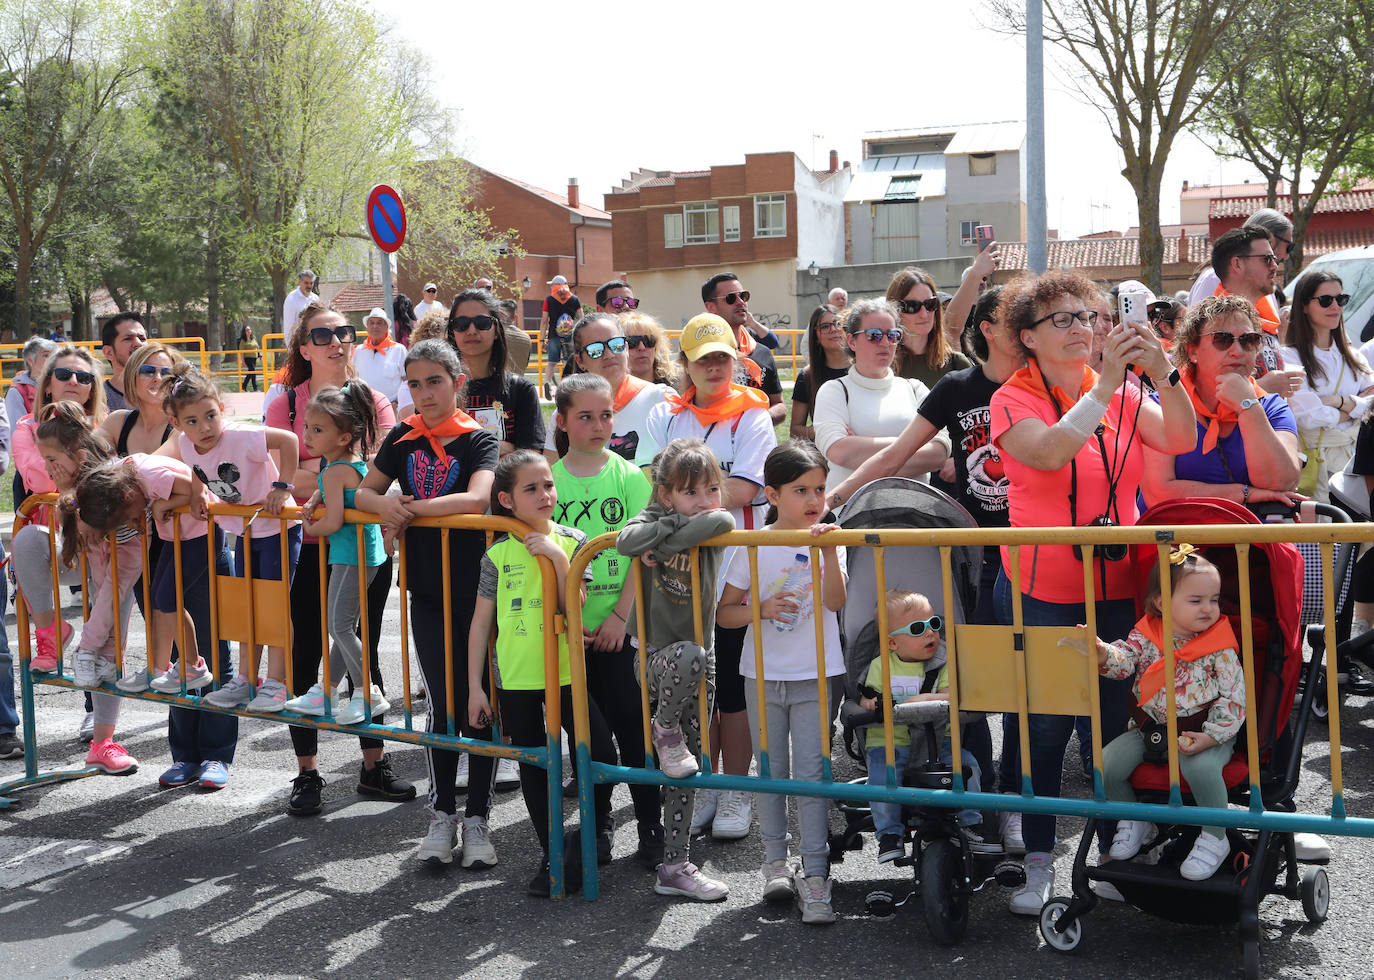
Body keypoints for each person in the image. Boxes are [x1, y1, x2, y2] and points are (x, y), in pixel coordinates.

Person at [988, 271, 1196, 915]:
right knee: (1046, 730)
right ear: (1028, 337)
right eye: (1066, 320)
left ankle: (1107, 855)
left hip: (1114, 585)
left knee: (1108, 731)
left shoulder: (1126, 388)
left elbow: (1182, 438)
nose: (1085, 329)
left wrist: (1163, 372)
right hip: (1043, 589)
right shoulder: (1012, 399)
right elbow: (1049, 453)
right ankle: (1039, 865)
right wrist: (1106, 385)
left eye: (1091, 317)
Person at [355, 339, 499, 866]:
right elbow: (365, 494)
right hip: (427, 592)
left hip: (478, 594)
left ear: (457, 382)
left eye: (434, 381)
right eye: (413, 384)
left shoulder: (478, 440)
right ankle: (443, 817)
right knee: (443, 705)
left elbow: (478, 499)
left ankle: (479, 819)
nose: (424, 392)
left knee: (479, 704)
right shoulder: (402, 437)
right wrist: (388, 504)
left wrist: (409, 511)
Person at [265, 302, 409, 815]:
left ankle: (374, 765)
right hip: (311, 550)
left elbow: (379, 468)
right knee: (307, 645)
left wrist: (324, 480)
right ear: (302, 346)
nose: (335, 341)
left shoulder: (372, 398)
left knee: (359, 644)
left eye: (342, 332)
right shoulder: (285, 399)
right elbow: (279, 469)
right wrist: (333, 482)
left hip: (363, 546)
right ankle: (307, 773)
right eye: (321, 334)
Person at [638, 313, 778, 840]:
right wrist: (678, 523)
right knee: (695, 685)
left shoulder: (753, 415)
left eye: (723, 357)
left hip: (734, 568)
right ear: (687, 366)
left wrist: (674, 518)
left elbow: (742, 491)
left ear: (736, 360)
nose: (715, 368)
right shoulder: (668, 414)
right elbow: (655, 487)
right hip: (678, 572)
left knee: (734, 689)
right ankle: (706, 783)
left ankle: (737, 788)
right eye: (704, 360)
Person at [467, 450, 617, 896]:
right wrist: (477, 688)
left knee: (599, 750)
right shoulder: (496, 555)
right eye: (531, 488)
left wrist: (556, 558)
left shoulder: (574, 539)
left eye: (548, 484)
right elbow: (480, 624)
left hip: (568, 675)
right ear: (507, 500)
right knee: (534, 765)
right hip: (516, 680)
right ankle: (551, 852)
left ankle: (594, 831)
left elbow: (574, 610)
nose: (545, 494)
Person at [717, 440, 847, 924]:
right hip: (761, 674)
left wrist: (830, 553)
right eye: (801, 490)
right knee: (771, 771)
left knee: (812, 775)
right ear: (771, 494)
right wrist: (762, 609)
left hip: (816, 675)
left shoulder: (830, 537)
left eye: (820, 488)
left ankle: (816, 874)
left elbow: (835, 602)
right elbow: (726, 615)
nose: (814, 499)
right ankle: (775, 862)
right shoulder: (752, 543)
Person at [1063, 545, 1244, 881]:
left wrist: (1211, 736)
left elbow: (1234, 696)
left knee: (1200, 767)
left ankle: (1215, 836)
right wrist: (1103, 652)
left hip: (1204, 730)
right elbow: (1125, 662)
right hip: (1151, 728)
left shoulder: (1218, 643)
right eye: (1196, 600)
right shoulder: (1146, 634)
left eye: (1214, 599)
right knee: (1106, 765)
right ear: (1162, 603)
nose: (1208, 608)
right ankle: (1136, 817)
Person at [548, 374, 663, 867]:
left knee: (635, 734)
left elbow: (644, 554)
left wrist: (621, 617)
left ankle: (651, 827)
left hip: (620, 631)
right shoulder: (549, 477)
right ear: (562, 421)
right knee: (586, 741)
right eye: (585, 416)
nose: (598, 426)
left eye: (606, 415)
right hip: (570, 634)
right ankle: (597, 826)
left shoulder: (630, 477)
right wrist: (568, 620)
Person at [617, 438, 735, 901]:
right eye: (691, 493)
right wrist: (662, 535)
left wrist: (661, 543)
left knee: (683, 771)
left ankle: (675, 865)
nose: (705, 501)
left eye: (711, 488)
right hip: (655, 657)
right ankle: (663, 729)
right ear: (665, 494)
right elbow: (627, 540)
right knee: (689, 655)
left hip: (699, 667)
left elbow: (722, 519)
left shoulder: (712, 521)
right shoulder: (649, 518)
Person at [155, 365, 300, 710]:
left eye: (210, 416)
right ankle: (247, 679)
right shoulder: (187, 447)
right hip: (245, 531)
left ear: (221, 409)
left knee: (273, 607)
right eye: (192, 421)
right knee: (246, 607)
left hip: (278, 529)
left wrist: (282, 487)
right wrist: (197, 494)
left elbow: (289, 440)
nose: (204, 428)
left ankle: (277, 682)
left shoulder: (239, 436)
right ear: (176, 424)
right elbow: (196, 470)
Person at [17, 404, 140, 773]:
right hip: (83, 560)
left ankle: (103, 742)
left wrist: (90, 642)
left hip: (116, 568)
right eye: (45, 459)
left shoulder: (112, 488)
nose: (48, 467)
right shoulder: (70, 489)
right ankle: (52, 632)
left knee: (105, 646)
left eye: (53, 459)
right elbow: (67, 545)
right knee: (27, 540)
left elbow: (112, 582)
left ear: (80, 456)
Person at [858, 589, 987, 863]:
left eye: (934, 624)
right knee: (880, 780)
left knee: (969, 768)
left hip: (940, 742)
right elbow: (865, 699)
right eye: (918, 628)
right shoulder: (880, 667)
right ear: (892, 643)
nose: (930, 633)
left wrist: (925, 698)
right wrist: (871, 704)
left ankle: (970, 821)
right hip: (890, 743)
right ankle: (889, 834)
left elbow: (954, 695)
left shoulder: (942, 663)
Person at [1141, 295, 1301, 508]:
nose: (1237, 351)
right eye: (1222, 339)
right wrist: (1244, 494)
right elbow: (1158, 493)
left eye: (1248, 340)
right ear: (1192, 351)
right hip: (1176, 537)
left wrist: (1248, 406)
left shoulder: (1271, 406)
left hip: (1252, 537)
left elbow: (1281, 481)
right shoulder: (1161, 405)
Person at [292, 380, 388, 723]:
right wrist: (317, 497)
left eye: (317, 430)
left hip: (350, 556)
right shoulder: (347, 463)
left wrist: (308, 529)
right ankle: (326, 691)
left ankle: (367, 692)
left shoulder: (335, 470)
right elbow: (333, 490)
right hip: (363, 555)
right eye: (306, 427)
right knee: (342, 627)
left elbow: (332, 521)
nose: (308, 435)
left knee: (340, 627)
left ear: (344, 437)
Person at [812, 298, 949, 494]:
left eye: (893, 335)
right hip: (852, 517)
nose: (885, 343)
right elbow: (840, 452)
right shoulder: (834, 391)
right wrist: (916, 443)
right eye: (874, 335)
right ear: (851, 341)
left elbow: (938, 455)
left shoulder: (915, 389)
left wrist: (861, 451)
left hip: (914, 517)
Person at [1281, 271, 1374, 504]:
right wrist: (1355, 407)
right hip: (1316, 462)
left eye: (1341, 299)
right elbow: (1306, 416)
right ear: (1304, 306)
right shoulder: (1289, 356)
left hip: (1355, 465)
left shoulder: (1353, 356)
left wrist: (1337, 401)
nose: (1335, 306)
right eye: (1325, 300)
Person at [543, 314, 669, 463]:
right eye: (595, 350)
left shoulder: (660, 399)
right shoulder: (568, 411)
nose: (609, 354)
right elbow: (550, 472)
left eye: (616, 345)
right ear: (580, 361)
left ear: (626, 349)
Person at [447, 289, 545, 457]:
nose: (471, 330)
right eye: (461, 323)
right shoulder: (439, 388)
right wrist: (501, 447)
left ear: (497, 330)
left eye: (482, 322)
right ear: (452, 331)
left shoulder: (520, 390)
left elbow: (530, 459)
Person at [1209, 227, 1304, 398]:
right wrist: (1261, 387)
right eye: (1267, 259)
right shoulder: (1211, 327)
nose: (1275, 266)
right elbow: (1203, 397)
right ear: (1237, 264)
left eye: (1274, 259)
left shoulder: (1267, 321)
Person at [702, 272, 785, 424]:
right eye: (731, 298)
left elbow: (779, 405)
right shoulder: (701, 356)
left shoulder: (762, 352)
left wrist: (756, 422)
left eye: (744, 296)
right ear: (711, 307)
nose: (740, 302)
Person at [1189, 207, 1294, 310]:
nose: (1287, 256)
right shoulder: (1215, 278)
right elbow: (1200, 325)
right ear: (1272, 239)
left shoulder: (1264, 286)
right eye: (1289, 247)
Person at [887, 267, 971, 388]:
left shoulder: (957, 364)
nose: (924, 314)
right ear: (894, 310)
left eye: (929, 304)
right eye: (912, 306)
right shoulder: (882, 367)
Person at [789, 305, 851, 441]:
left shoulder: (863, 368)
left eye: (838, 323)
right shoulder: (807, 376)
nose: (833, 329)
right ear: (815, 336)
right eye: (824, 326)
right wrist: (819, 430)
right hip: (825, 453)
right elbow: (795, 430)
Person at [352, 307, 407, 412]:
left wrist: (398, 402)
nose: (375, 326)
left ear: (387, 327)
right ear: (367, 328)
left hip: (391, 409)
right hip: (364, 408)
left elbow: (407, 380)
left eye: (379, 323)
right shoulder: (359, 350)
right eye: (371, 323)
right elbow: (353, 378)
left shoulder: (399, 349)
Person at [99, 312, 148, 411]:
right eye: (128, 339)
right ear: (109, 353)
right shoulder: (97, 399)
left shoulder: (165, 394)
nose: (139, 344)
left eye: (142, 338)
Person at [539, 275, 582, 385]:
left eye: (552, 285)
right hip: (570, 336)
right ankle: (569, 385)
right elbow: (582, 318)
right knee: (570, 362)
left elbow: (544, 321)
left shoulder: (549, 300)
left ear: (555, 286)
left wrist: (542, 340)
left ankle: (548, 382)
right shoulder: (575, 299)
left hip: (554, 335)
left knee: (552, 362)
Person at [620, 311, 679, 387]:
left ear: (656, 346)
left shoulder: (677, 388)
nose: (642, 347)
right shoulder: (609, 392)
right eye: (632, 342)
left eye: (648, 340)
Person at [282, 269, 319, 345]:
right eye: (306, 283)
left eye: (311, 283)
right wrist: (291, 346)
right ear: (299, 282)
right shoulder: (291, 299)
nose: (309, 286)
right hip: (298, 343)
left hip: (314, 342)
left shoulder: (315, 299)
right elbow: (289, 325)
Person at [238, 324, 261, 391]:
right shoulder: (243, 340)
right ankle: (255, 388)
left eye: (249, 329)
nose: (249, 331)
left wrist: (259, 354)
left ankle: (244, 386)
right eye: (247, 330)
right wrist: (243, 361)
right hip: (247, 358)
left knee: (251, 372)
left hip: (254, 358)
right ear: (244, 332)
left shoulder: (253, 338)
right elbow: (241, 351)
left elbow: (257, 347)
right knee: (253, 371)